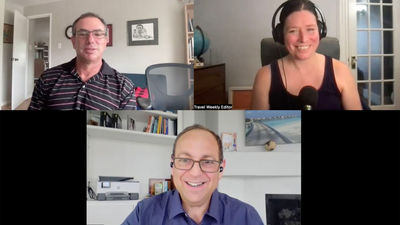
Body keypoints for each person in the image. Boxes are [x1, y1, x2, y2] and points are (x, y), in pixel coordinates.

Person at [121, 124, 264, 225]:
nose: (195, 173)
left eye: (207, 161)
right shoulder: (144, 213)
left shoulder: (246, 217)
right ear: (172, 165)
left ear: (221, 169)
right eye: (184, 160)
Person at [251, 0, 362, 110]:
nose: (303, 39)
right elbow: (257, 126)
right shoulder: (264, 77)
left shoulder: (342, 71)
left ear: (320, 31)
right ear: (280, 35)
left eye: (310, 29)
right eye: (293, 31)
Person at [29, 12, 136, 110]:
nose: (90, 40)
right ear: (73, 41)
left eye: (98, 34)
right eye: (83, 34)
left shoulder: (124, 86)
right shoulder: (47, 78)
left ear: (106, 41)